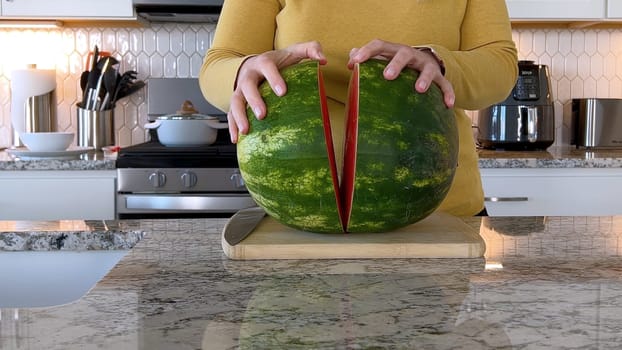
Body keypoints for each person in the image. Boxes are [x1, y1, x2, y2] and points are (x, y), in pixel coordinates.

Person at [199, 0, 518, 217]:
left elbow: (501, 63)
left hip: (441, 212)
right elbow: (218, 64)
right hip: (303, 211)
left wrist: (438, 61)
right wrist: (243, 70)